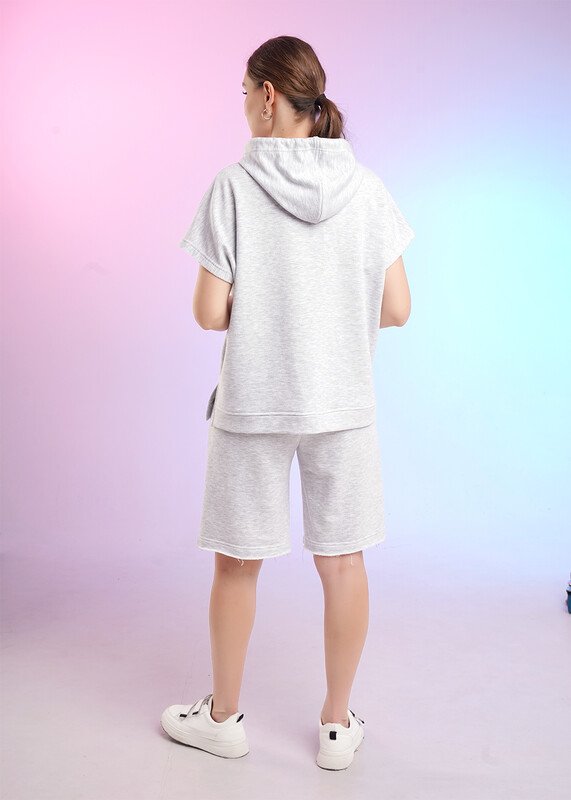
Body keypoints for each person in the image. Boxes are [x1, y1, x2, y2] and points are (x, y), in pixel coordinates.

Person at [161, 35, 415, 771]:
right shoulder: (366, 189)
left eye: (245, 92)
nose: (243, 105)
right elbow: (398, 308)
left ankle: (222, 719)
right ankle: (336, 726)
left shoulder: (232, 187)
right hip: (342, 405)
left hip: (253, 405)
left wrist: (268, 299)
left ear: (269, 96)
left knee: (237, 564)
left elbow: (208, 313)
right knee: (343, 562)